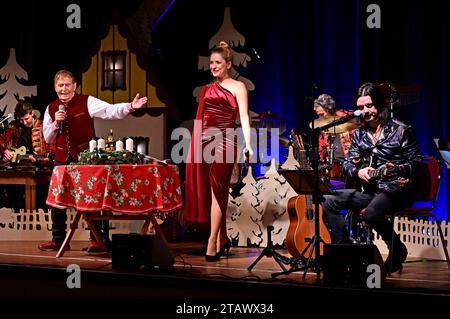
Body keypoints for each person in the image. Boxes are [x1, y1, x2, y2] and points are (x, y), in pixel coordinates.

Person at [38, 69, 148, 252]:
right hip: (61, 158)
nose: (63, 89)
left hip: (84, 158)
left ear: (74, 86)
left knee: (93, 197)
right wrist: (57, 123)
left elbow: (110, 110)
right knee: (57, 199)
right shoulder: (51, 108)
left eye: (67, 85)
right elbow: (48, 138)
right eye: (60, 85)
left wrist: (130, 106)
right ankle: (57, 239)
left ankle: (98, 239)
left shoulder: (86, 101)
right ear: (55, 87)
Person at [321, 82, 421, 273]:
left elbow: (415, 163)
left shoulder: (402, 130)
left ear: (380, 105)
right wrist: (358, 172)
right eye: (360, 107)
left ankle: (397, 248)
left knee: (370, 213)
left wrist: (396, 168)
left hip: (395, 190)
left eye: (369, 106)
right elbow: (347, 164)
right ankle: (345, 250)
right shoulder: (359, 135)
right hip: (371, 191)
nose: (365, 111)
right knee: (327, 200)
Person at [184, 41, 253, 261]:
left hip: (225, 140)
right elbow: (201, 119)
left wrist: (249, 144)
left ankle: (212, 241)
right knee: (213, 192)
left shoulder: (238, 87)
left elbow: (243, 117)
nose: (213, 66)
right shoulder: (207, 88)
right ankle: (223, 237)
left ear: (228, 63)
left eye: (217, 62)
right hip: (204, 142)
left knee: (218, 190)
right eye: (211, 62)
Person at [0, 99, 54, 211]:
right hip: (15, 170)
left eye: (26, 119)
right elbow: (1, 141)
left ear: (32, 113)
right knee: (13, 198)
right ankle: (16, 221)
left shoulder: (43, 127)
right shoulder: (14, 126)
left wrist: (38, 159)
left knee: (39, 200)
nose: (24, 123)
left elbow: (51, 152)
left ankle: (37, 223)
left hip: (37, 171)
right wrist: (4, 150)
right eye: (21, 120)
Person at [313, 94, 355, 181]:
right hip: (332, 169)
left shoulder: (349, 119)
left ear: (330, 109)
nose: (320, 118)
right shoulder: (324, 127)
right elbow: (321, 150)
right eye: (318, 115)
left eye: (322, 114)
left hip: (350, 167)